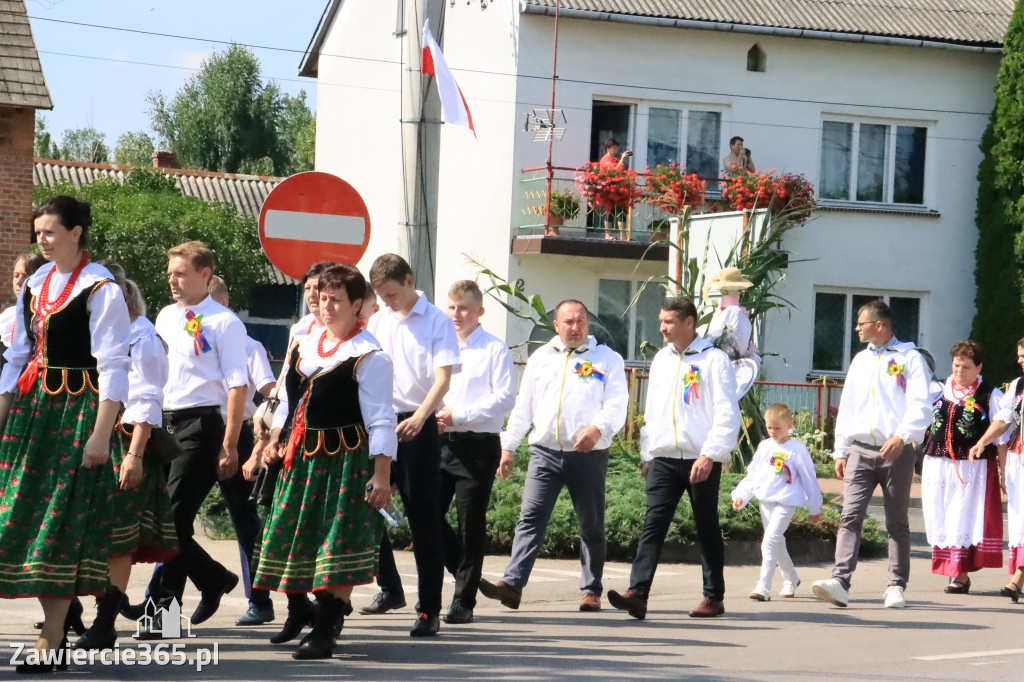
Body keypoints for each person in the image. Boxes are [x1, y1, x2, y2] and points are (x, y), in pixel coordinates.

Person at [0, 196, 131, 672]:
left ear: (77, 233)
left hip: (76, 417)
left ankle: (51, 637)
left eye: (51, 231)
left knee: (56, 526)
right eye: (38, 231)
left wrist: (101, 436)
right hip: (31, 414)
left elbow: (114, 366)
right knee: (11, 520)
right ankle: (51, 627)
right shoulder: (35, 283)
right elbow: (16, 356)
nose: (42, 239)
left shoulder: (101, 288)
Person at [254, 264, 396, 660]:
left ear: (357, 306)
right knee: (295, 537)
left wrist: (381, 475)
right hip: (302, 459)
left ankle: (326, 628)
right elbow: (289, 399)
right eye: (323, 297)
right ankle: (307, 613)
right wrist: (275, 440)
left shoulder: (369, 355)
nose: (326, 305)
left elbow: (382, 419)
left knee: (337, 544)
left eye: (337, 299)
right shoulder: (305, 343)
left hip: (346, 461)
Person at [479, 299, 627, 613]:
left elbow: (617, 402)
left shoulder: (606, 359)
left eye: (581, 321)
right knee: (530, 519)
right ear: (556, 326)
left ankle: (591, 590)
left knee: (591, 524)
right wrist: (508, 447)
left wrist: (598, 428)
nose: (575, 328)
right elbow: (524, 407)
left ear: (588, 324)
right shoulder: (540, 359)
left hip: (587, 454)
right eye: (568, 322)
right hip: (544, 453)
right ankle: (512, 584)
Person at [136, 241, 249, 638]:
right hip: (164, 421)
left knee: (174, 516)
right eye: (170, 273)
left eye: (180, 273)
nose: (172, 280)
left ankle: (163, 615)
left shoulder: (225, 322)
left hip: (201, 424)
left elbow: (238, 385)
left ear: (204, 274)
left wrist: (230, 444)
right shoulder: (166, 315)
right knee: (163, 520)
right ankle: (212, 576)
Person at [606, 296, 739, 620]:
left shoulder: (714, 360)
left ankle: (713, 597)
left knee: (706, 526)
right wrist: (648, 453)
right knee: (653, 525)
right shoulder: (662, 360)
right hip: (664, 457)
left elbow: (726, 412)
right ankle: (637, 594)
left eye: (668, 322)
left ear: (688, 323)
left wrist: (710, 455)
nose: (661, 328)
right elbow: (653, 411)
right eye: (661, 321)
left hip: (700, 457)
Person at [74, 278, 178, 650]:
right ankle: (75, 612)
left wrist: (134, 455)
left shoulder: (143, 339)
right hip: (95, 442)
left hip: (124, 444)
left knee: (117, 540)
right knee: (85, 532)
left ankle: (104, 622)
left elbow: (147, 401)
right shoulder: (106, 339)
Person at [361, 253, 460, 637]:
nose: (388, 302)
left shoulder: (437, 320)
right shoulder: (380, 320)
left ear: (409, 280)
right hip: (380, 423)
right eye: (381, 296)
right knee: (368, 504)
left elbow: (443, 379)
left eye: (392, 293)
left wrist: (420, 417)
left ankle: (428, 609)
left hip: (419, 424)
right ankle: (387, 588)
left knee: (424, 520)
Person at [812, 299, 933, 609]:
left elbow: (921, 403)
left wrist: (903, 436)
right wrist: (841, 449)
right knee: (850, 514)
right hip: (860, 450)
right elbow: (848, 406)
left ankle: (896, 585)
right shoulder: (860, 361)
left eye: (861, 323)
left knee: (896, 520)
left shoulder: (910, 358)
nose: (856, 328)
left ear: (880, 325)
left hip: (896, 450)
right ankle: (840, 581)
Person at [249, 260, 333, 644]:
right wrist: (269, 436)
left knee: (320, 534)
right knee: (279, 530)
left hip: (328, 446)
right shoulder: (300, 331)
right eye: (310, 289)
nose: (315, 296)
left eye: (322, 289)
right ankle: (297, 608)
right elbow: (286, 389)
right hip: (290, 441)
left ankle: (328, 613)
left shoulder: (348, 337)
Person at [436, 280, 516, 624]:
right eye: (452, 307)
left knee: (471, 523)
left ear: (480, 311)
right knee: (426, 515)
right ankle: (465, 574)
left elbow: (505, 398)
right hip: (439, 443)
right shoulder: (439, 346)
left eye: (465, 307)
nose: (457, 314)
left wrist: (461, 416)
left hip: (477, 446)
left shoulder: (494, 349)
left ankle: (463, 601)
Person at [206, 275, 277, 626]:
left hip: (241, 435)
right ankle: (161, 610)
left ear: (222, 304)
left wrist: (262, 441)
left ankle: (260, 600)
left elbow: (270, 392)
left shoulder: (249, 347)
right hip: (199, 432)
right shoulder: (193, 342)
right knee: (172, 521)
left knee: (245, 521)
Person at [917, 340, 1004, 593]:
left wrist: (1002, 471)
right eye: (956, 365)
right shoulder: (938, 390)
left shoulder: (990, 394)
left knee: (963, 517)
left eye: (966, 367)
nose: (959, 371)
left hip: (971, 468)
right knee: (942, 514)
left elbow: (1000, 433)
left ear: (979, 368)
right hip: (937, 464)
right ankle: (951, 568)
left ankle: (961, 574)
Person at [730, 404, 822, 601]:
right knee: (777, 542)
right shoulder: (765, 446)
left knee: (769, 541)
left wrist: (814, 507)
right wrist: (741, 495)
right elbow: (753, 474)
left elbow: (809, 479)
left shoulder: (797, 449)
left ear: (789, 425)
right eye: (769, 427)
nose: (772, 432)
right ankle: (791, 578)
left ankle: (764, 586)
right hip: (766, 501)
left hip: (785, 503)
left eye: (777, 428)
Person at [968, 339, 1024, 601]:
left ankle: (1018, 578)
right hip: (1019, 461)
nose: (1020, 360)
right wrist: (982, 442)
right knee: (1020, 520)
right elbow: (1003, 420)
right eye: (1019, 355)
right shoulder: (1018, 385)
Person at [0, 252, 46, 373]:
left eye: (27, 276)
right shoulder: (7, 316)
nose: (19, 281)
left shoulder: (44, 317)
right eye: (16, 275)